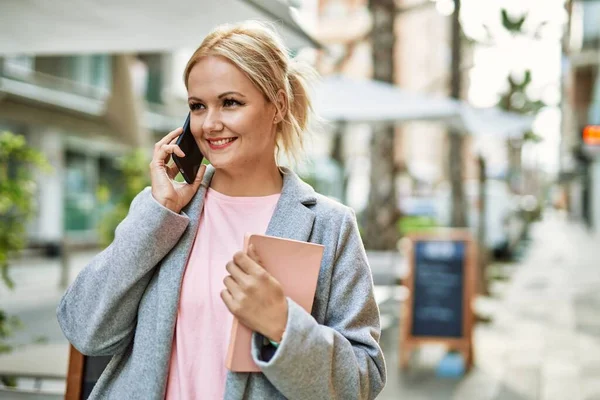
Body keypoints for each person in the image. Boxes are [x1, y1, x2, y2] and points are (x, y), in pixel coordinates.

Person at [57, 21, 386, 400]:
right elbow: (85, 329)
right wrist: (158, 213)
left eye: (230, 102)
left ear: (277, 105)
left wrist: (283, 325)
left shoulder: (329, 225)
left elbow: (362, 381)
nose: (210, 124)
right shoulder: (164, 212)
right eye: (198, 106)